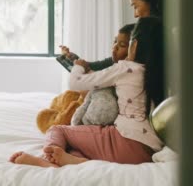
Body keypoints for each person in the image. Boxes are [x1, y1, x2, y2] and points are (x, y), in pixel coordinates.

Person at [10, 17, 165, 167]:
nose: (116, 46)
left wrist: (78, 66)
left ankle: (46, 160)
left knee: (57, 130)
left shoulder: (127, 68)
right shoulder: (160, 73)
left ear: (134, 45)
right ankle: (75, 161)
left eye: (126, 43)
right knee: (73, 147)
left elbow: (75, 83)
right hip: (146, 151)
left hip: (125, 141)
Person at [61, 0, 175, 70]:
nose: (135, 15)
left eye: (135, 6)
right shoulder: (148, 33)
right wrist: (79, 62)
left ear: (153, 1)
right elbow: (114, 61)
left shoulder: (174, 37)